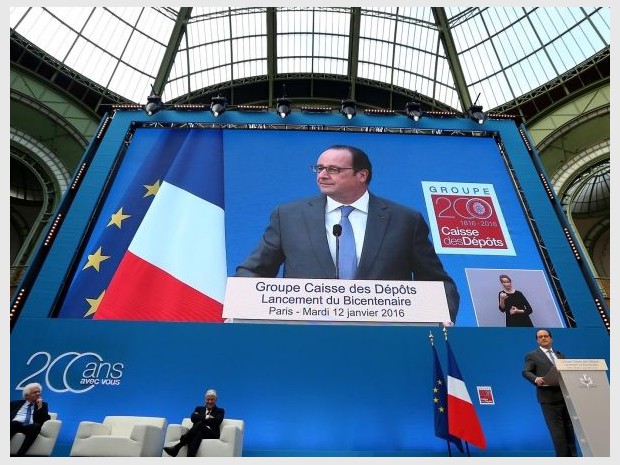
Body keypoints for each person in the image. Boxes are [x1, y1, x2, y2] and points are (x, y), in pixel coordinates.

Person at [235, 144, 460, 322]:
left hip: (385, 339)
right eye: (319, 168)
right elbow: (251, 272)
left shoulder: (405, 221)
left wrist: (441, 318)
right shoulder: (288, 216)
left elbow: (439, 284)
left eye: (333, 169)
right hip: (304, 337)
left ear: (362, 175)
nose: (322, 175)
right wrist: (246, 308)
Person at [522, 328, 577, 456]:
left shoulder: (560, 355)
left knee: (570, 431)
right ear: (537, 340)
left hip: (566, 397)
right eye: (540, 337)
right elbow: (526, 372)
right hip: (549, 399)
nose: (543, 338)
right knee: (557, 433)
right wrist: (536, 379)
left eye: (546, 336)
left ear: (551, 338)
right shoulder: (532, 355)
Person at [163, 389, 224, 457]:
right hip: (198, 432)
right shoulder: (199, 409)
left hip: (212, 433)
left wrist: (200, 417)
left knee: (200, 424)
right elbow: (193, 418)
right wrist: (207, 417)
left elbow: (216, 422)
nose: (210, 401)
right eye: (208, 399)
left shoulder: (220, 411)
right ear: (205, 399)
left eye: (212, 399)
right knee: (198, 433)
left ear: (216, 400)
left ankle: (178, 446)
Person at [10, 382, 51, 456]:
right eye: (35, 392)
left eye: (39, 392)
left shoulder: (43, 405)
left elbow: (45, 420)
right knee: (13, 423)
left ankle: (20, 454)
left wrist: (40, 407)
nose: (38, 394)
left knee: (36, 426)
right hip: (14, 424)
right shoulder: (14, 403)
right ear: (27, 395)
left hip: (29, 427)